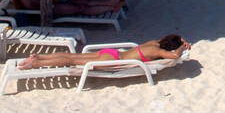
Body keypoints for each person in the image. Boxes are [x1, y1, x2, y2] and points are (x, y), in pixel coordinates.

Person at [17, 34, 190, 72]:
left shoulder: (154, 43)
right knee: (72, 61)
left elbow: (169, 40)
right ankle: (37, 63)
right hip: (113, 59)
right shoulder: (157, 50)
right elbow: (174, 56)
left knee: (73, 56)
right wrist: (182, 47)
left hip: (110, 52)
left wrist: (181, 39)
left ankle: (40, 56)